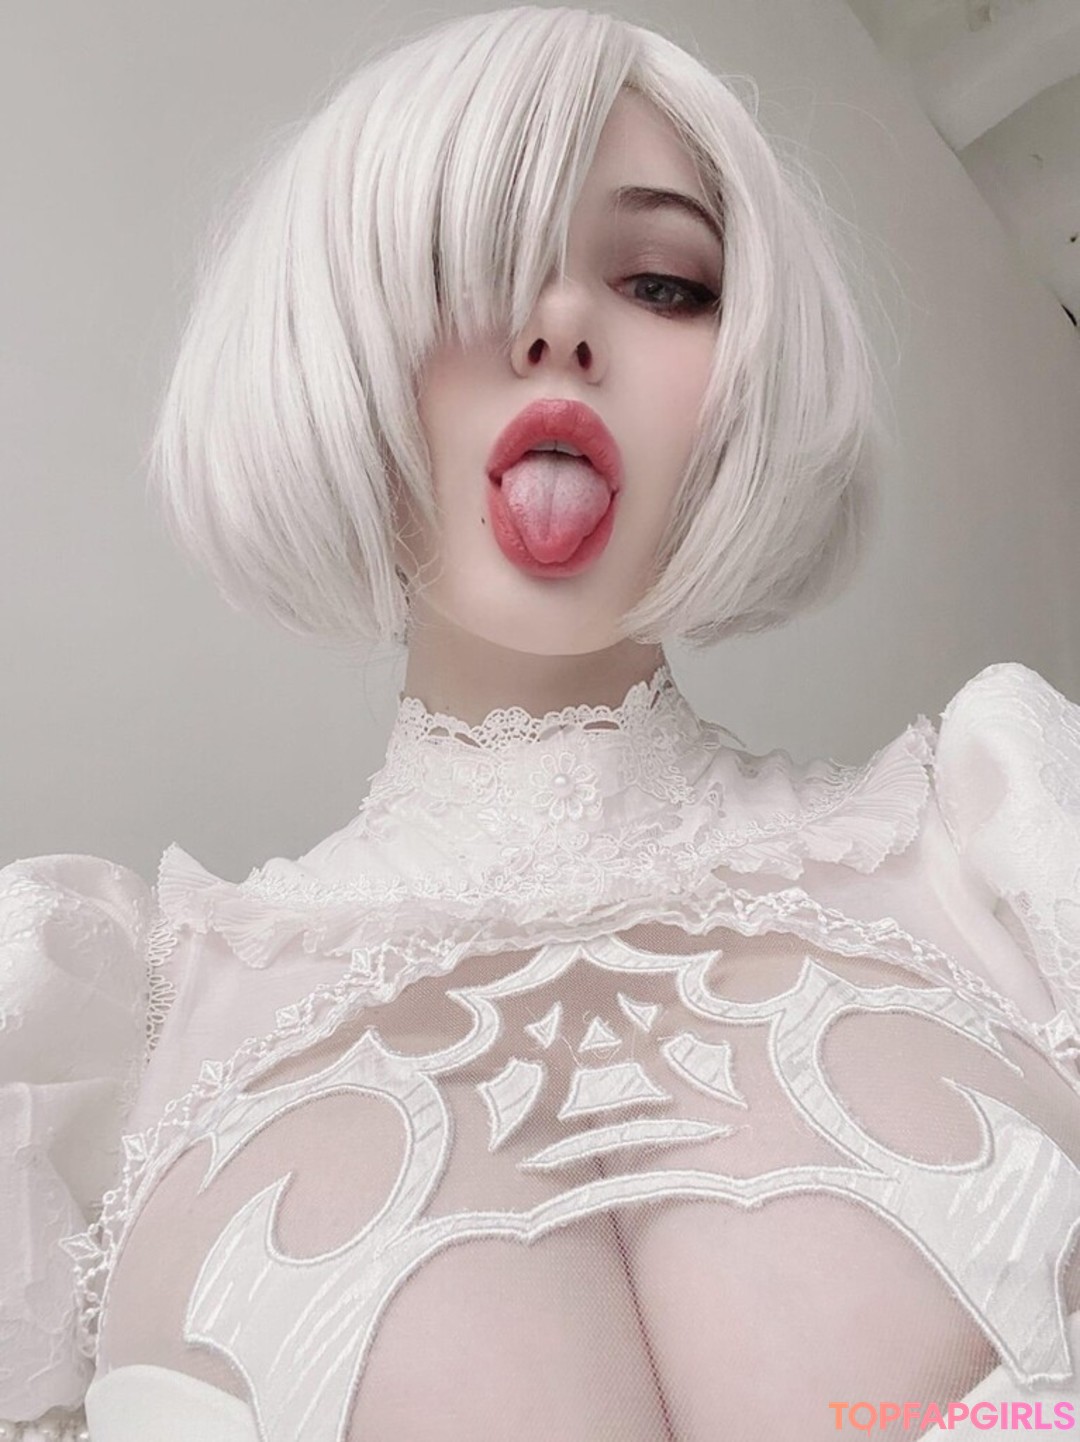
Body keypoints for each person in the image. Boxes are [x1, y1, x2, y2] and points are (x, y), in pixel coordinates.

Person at [3, 7, 1079, 1440]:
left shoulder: (1013, 855)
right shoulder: (94, 1037)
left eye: (663, 282)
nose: (562, 328)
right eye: (465, 269)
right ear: (327, 348)